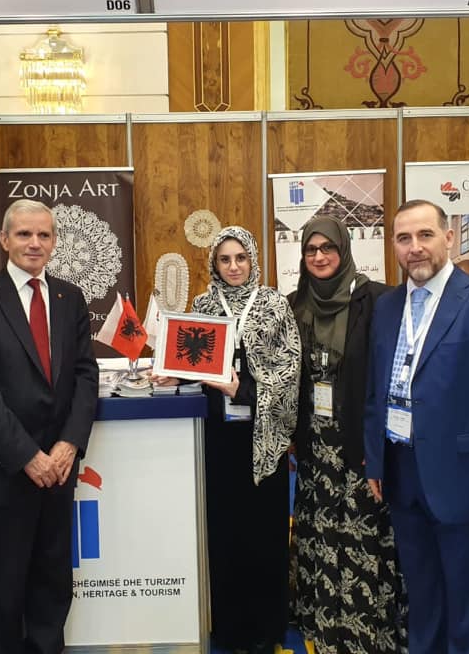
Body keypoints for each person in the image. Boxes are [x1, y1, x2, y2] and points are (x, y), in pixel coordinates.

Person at [363, 199, 469, 654]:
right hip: (402, 474)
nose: (415, 247)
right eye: (404, 238)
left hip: (466, 483)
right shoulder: (387, 306)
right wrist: (377, 461)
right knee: (423, 601)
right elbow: (376, 389)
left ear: (449, 238)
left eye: (425, 235)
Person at [0, 199, 98, 654]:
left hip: (59, 467)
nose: (34, 243)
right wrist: (28, 456)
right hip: (6, 470)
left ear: (54, 242)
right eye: (23, 234)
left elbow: (85, 375)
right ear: (4, 240)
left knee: (53, 579)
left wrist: (69, 444)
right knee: (4, 584)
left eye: (43, 235)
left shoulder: (70, 297)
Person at [157, 226, 300, 654]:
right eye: (225, 259)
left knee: (264, 535)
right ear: (214, 264)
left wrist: (243, 390)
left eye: (241, 258)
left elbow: (290, 372)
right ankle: (230, 628)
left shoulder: (274, 305)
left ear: (252, 260)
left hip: (263, 437)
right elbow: (195, 362)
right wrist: (174, 374)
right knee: (224, 534)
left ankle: (265, 629)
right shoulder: (203, 306)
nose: (234, 266)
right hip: (218, 440)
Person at [288, 217, 407, 654]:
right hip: (314, 447)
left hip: (360, 445)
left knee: (364, 539)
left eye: (328, 248)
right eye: (310, 249)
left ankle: (367, 635)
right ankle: (326, 631)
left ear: (344, 249)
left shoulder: (377, 300)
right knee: (320, 538)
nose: (319, 257)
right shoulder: (293, 305)